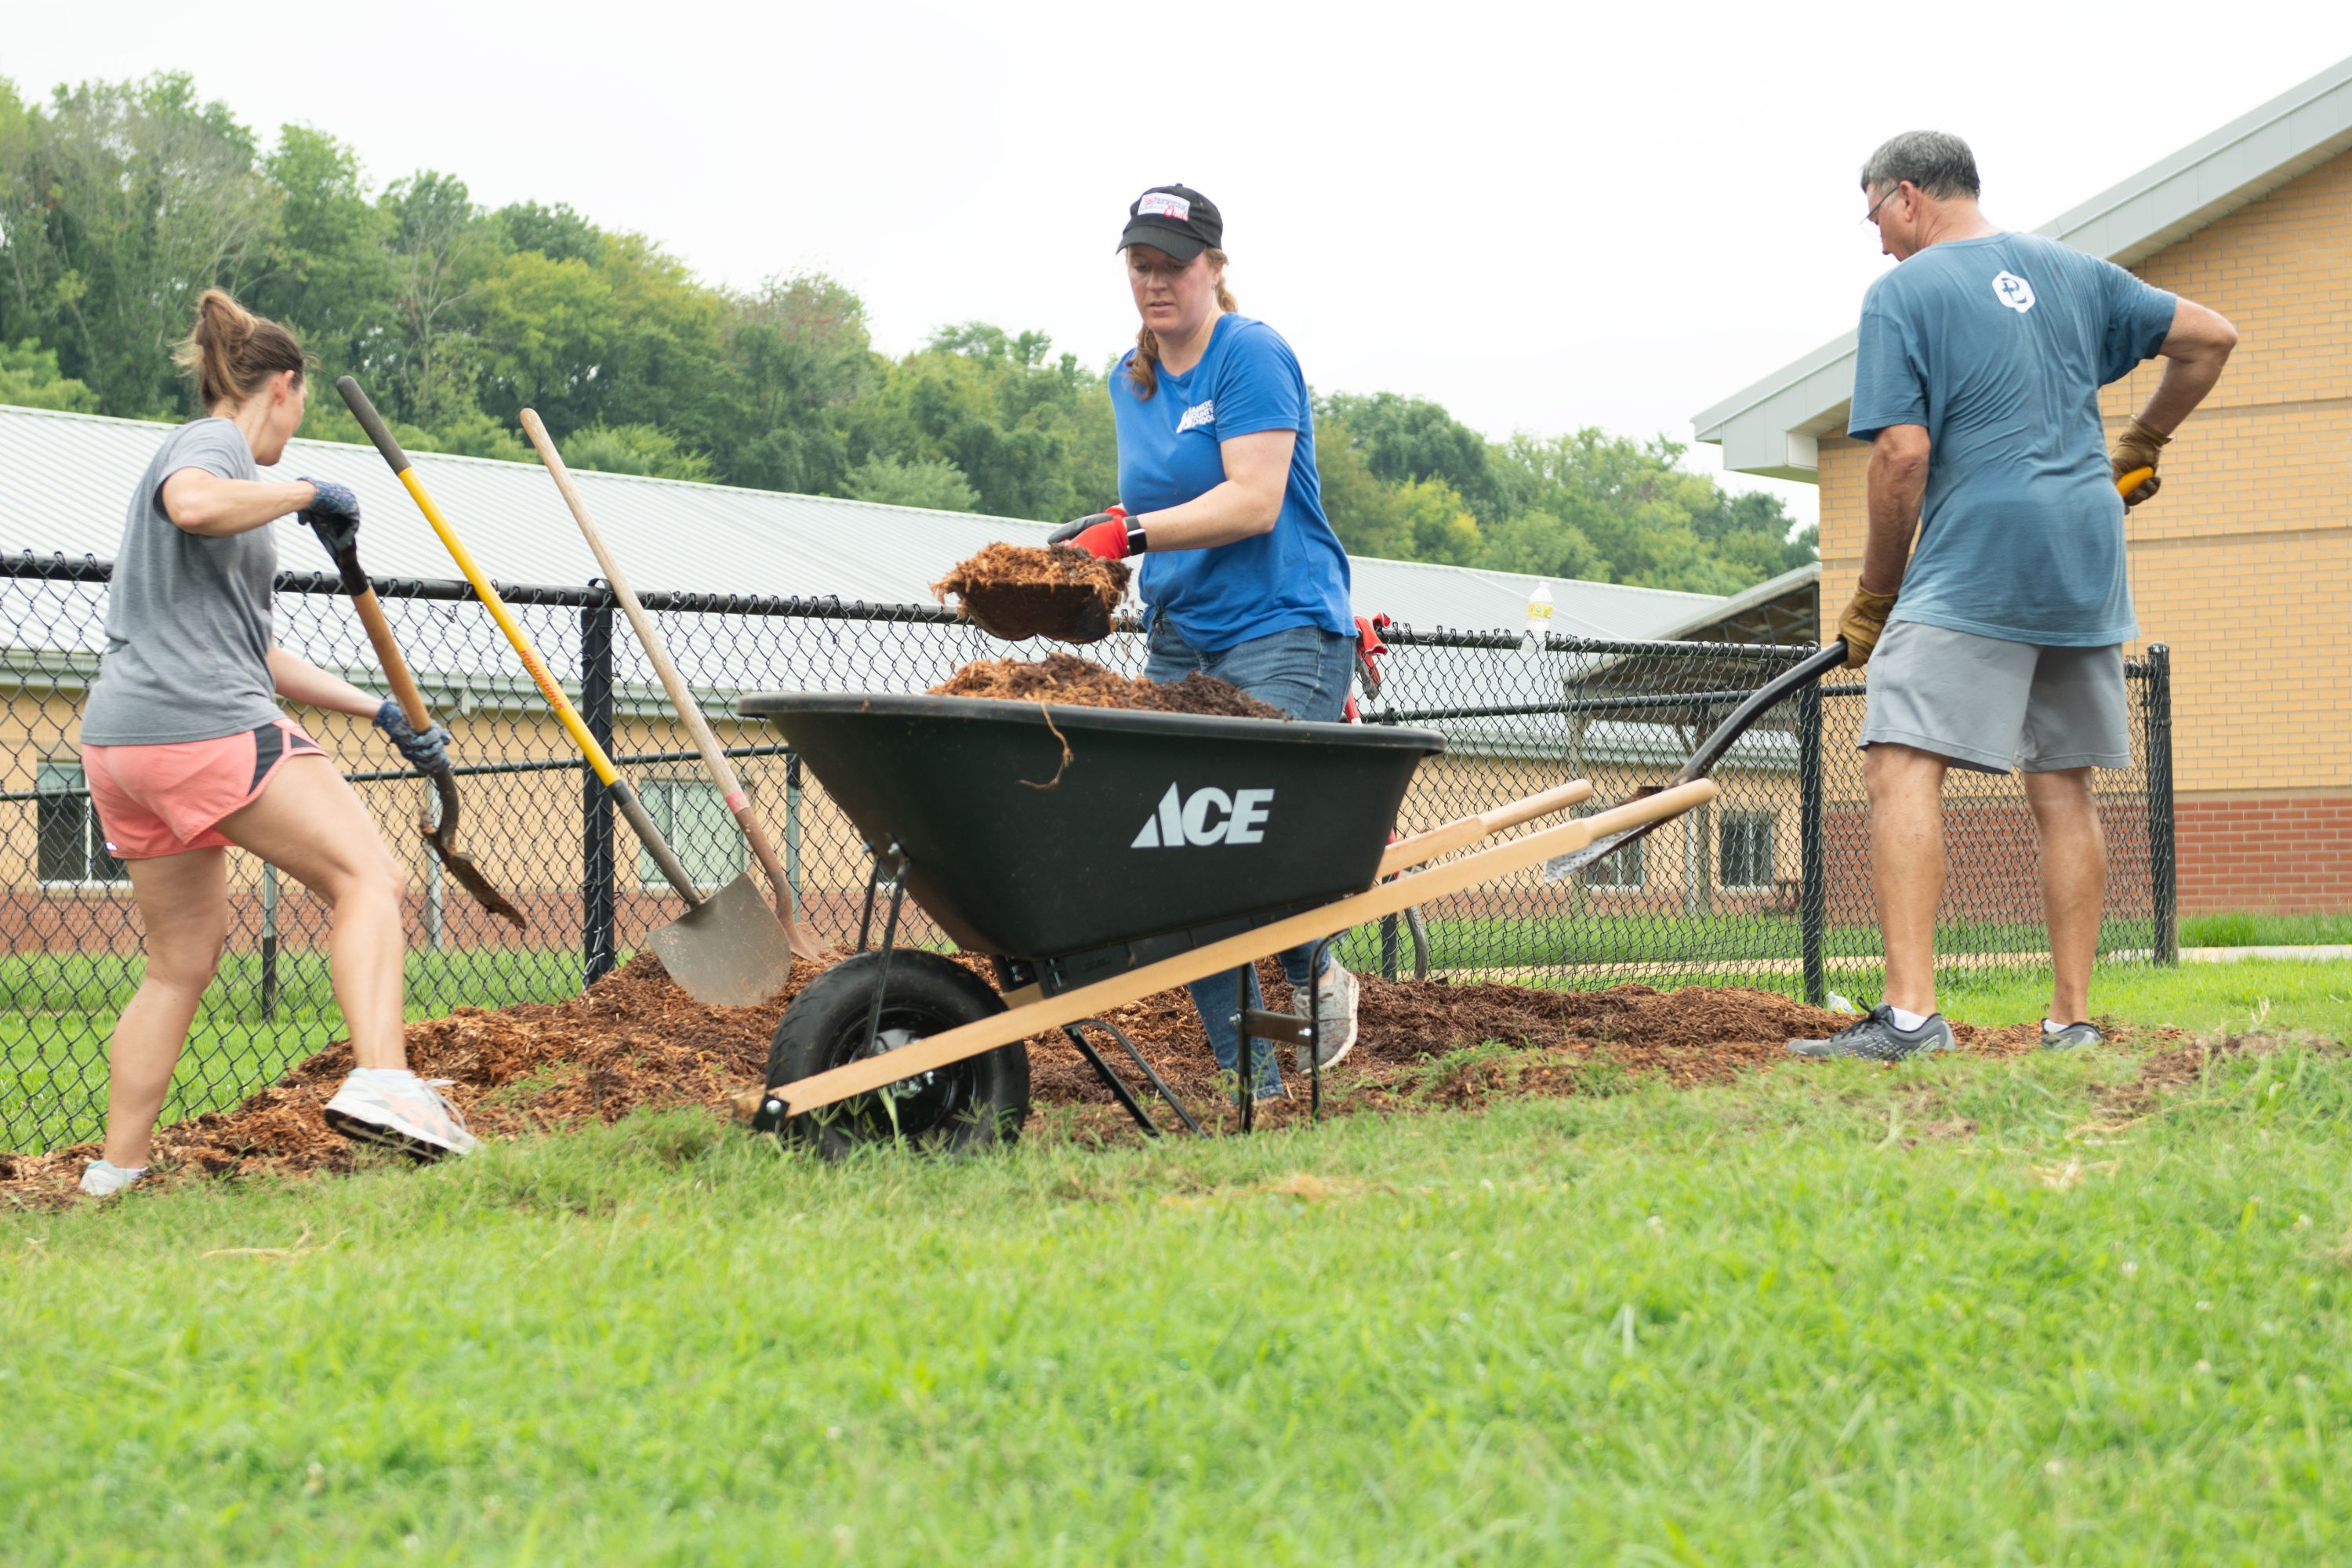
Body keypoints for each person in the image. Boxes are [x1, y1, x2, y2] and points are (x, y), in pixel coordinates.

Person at [1790, 132, 2237, 1062]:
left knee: (1900, 761)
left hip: (1977, 555)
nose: (1877, 243)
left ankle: (1910, 1017)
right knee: (2063, 781)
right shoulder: (2077, 273)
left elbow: (1901, 454)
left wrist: (1876, 592)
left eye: (1874, 216)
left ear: (1907, 196)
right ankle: (2070, 1021)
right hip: (2085, 555)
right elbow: (2210, 339)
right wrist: (2144, 439)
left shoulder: (1904, 293)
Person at [75, 289, 478, 1196]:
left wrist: (380, 712)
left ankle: (116, 1170)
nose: (294, 437)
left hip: (122, 743)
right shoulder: (211, 447)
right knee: (367, 876)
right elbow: (190, 503)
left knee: (180, 959)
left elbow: (255, 649)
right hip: (204, 723)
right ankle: (385, 1081)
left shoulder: (234, 491)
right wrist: (303, 491)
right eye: (300, 417)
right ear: (284, 388)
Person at [1060, 183, 1361, 1100]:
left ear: (1214, 270)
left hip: (1282, 628)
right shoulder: (1130, 376)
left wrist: (1134, 533)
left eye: (1174, 265)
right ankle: (1256, 1085)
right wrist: (1097, 550)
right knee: (1174, 855)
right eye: (1140, 264)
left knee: (1230, 844)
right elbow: (1147, 504)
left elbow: (1253, 499)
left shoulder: (1252, 354)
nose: (1156, 282)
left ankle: (1313, 962)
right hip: (1181, 637)